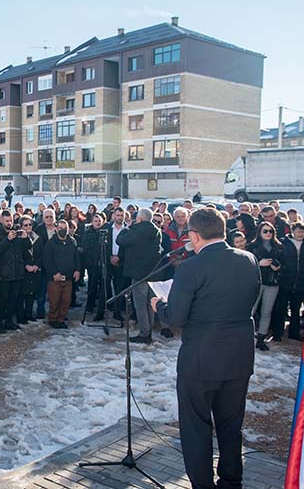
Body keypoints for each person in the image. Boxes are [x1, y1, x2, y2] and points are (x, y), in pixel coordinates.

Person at [152, 208, 260, 489]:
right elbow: (252, 299)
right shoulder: (248, 259)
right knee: (231, 425)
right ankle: (231, 482)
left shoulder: (190, 267)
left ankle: (203, 485)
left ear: (194, 235)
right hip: (238, 356)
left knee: (196, 428)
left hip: (201, 359)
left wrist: (159, 305)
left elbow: (175, 318)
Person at [116, 208, 162, 344]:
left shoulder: (137, 230)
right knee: (150, 304)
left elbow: (121, 241)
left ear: (140, 218)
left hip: (138, 273)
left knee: (140, 305)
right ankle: (149, 331)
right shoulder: (156, 230)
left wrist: (126, 228)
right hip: (153, 272)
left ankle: (144, 334)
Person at [273, 222, 304, 342]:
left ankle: (294, 333)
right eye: (298, 231)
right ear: (293, 231)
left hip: (301, 282)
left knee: (295, 309)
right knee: (281, 308)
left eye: (303, 232)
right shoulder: (284, 243)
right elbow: (278, 258)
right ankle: (278, 333)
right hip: (285, 281)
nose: (300, 234)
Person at [247, 221, 283, 351]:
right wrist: (258, 263)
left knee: (266, 312)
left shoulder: (279, 246)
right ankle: (247, 336)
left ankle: (261, 338)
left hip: (272, 282)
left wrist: (278, 266)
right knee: (250, 310)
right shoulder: (252, 246)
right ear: (260, 232)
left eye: (270, 231)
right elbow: (246, 264)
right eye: (265, 231)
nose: (268, 233)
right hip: (256, 281)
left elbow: (284, 264)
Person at [0, 209, 29, 332]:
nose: (9, 223)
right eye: (7, 221)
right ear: (2, 220)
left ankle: (9, 321)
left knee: (14, 298)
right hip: (4, 272)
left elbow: (27, 249)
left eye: (11, 221)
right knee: (2, 299)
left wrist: (26, 238)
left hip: (17, 271)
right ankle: (0, 322)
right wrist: (7, 239)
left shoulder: (17, 231)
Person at [42, 219, 81, 328]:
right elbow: (46, 260)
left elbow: (76, 257)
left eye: (65, 228)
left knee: (66, 301)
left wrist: (77, 270)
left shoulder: (72, 241)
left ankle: (61, 319)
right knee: (54, 301)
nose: (63, 230)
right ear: (56, 229)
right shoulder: (50, 243)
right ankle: (53, 319)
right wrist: (54, 273)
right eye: (61, 228)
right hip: (54, 278)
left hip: (68, 278)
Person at [82, 213, 107, 320]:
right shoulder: (88, 233)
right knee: (92, 285)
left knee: (103, 287)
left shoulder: (105, 233)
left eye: (99, 221)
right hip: (92, 264)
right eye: (95, 221)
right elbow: (85, 248)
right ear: (92, 222)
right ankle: (90, 305)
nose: (97, 223)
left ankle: (102, 307)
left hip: (103, 263)